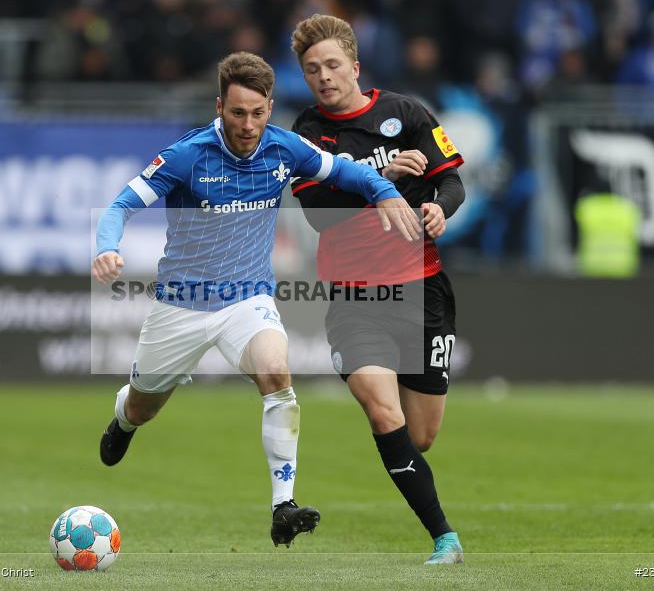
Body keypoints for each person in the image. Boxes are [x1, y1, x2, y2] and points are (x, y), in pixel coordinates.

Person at [92, 51, 421, 548]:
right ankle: (123, 419)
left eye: (258, 112)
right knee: (143, 407)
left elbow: (346, 173)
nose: (248, 125)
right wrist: (106, 248)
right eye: (237, 113)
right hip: (181, 304)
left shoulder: (285, 148)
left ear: (270, 106)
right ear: (219, 105)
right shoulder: (188, 154)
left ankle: (282, 506)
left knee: (276, 373)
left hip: (248, 298)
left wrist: (385, 192)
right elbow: (121, 203)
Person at [288, 15, 466, 564]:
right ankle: (445, 538)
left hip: (423, 290)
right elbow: (319, 214)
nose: (323, 77)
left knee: (422, 434)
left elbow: (452, 180)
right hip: (355, 298)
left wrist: (439, 207)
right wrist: (383, 175)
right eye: (312, 69)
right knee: (380, 410)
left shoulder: (406, 113)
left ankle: (437, 525)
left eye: (333, 65)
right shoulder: (307, 133)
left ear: (355, 67)